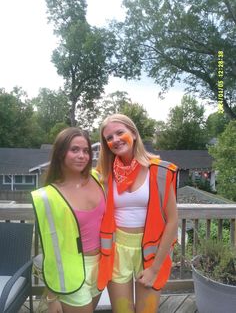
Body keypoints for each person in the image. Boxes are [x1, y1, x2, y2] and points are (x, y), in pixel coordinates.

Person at [96, 114, 178, 313]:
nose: (115, 140)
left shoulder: (160, 171)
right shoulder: (104, 175)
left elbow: (172, 221)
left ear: (133, 133)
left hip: (149, 255)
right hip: (116, 251)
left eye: (119, 133)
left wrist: (155, 269)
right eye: (109, 138)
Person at [31, 127, 105, 313]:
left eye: (86, 150)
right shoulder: (49, 196)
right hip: (72, 270)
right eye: (75, 150)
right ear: (61, 153)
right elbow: (51, 248)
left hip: (101, 266)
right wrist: (52, 296)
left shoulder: (97, 179)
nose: (82, 155)